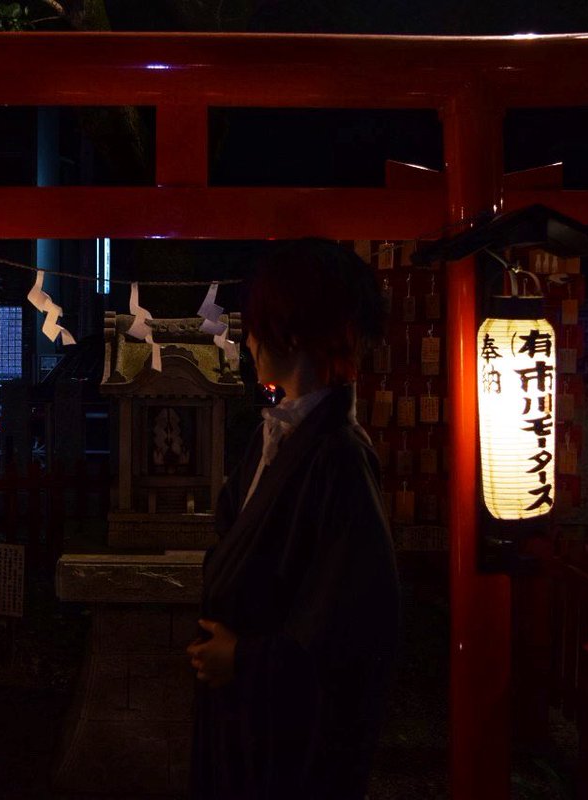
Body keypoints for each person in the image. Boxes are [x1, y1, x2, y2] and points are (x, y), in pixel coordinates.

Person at [187, 238, 399, 799]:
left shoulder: (338, 457)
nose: (248, 340)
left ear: (293, 331)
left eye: (258, 325)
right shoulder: (277, 434)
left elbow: (354, 624)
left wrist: (245, 659)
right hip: (244, 724)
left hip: (287, 747)